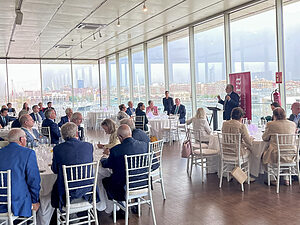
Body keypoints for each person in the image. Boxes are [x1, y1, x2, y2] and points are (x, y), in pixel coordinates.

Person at [51, 122, 96, 209]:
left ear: (63, 135)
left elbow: (55, 170)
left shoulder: (57, 149)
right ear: (76, 133)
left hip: (66, 191)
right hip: (87, 188)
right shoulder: (88, 146)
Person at [101, 124, 150, 201]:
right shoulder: (144, 145)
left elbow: (108, 164)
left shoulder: (116, 150)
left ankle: (120, 205)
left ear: (120, 137)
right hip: (144, 182)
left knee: (105, 180)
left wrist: (103, 159)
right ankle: (135, 201)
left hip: (125, 185)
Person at [0, 128, 40, 217]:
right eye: (25, 137)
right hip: (17, 202)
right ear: (22, 139)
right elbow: (34, 181)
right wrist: (35, 200)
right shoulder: (28, 153)